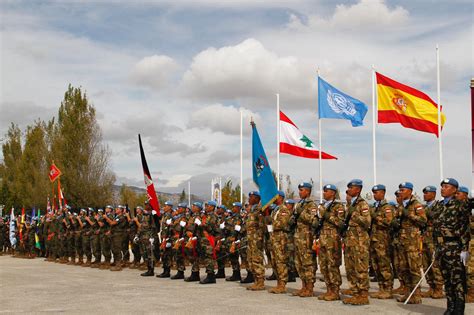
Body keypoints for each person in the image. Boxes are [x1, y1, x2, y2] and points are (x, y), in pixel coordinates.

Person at [433, 178, 470, 314]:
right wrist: (436, 247)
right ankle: (450, 307)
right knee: (447, 279)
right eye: (442, 186)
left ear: (455, 190)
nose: (443, 188)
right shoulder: (439, 205)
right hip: (442, 247)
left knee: (458, 280)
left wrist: (465, 249)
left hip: (455, 246)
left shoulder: (460, 204)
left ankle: (459, 309)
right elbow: (435, 228)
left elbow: (465, 227)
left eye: (447, 186)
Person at [393, 182, 427, 304]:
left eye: (403, 190)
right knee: (404, 268)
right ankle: (408, 292)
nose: (401, 192)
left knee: (414, 269)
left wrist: (410, 215)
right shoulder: (401, 205)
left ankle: (416, 295)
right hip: (402, 241)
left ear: (410, 191)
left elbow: (423, 221)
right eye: (400, 190)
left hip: (412, 242)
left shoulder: (416, 205)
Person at [341, 179, 371, 305]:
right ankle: (355, 293)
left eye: (351, 188)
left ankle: (363, 295)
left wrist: (354, 214)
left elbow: (367, 222)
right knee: (350, 269)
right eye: (348, 188)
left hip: (360, 243)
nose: (348, 190)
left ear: (358, 189)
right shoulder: (350, 205)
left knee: (361, 269)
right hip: (350, 242)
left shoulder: (362, 204)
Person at [317, 184, 345, 301]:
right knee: (323, 266)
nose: (324, 193)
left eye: (327, 191)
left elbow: (341, 223)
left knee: (332, 265)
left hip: (333, 240)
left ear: (333, 193)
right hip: (323, 239)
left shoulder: (338, 206)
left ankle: (335, 291)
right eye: (324, 191)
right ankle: (329, 289)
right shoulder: (322, 206)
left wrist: (327, 215)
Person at [293, 182, 319, 298]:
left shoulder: (311, 205)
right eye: (299, 190)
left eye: (302, 190)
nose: (300, 192)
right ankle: (303, 286)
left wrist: (301, 214)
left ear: (308, 191)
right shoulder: (299, 204)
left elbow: (314, 221)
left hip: (307, 238)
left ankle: (310, 288)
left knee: (308, 264)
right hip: (298, 238)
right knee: (299, 263)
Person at [369, 184, 394, 299]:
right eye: (374, 193)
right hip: (374, 240)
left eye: (377, 192)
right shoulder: (374, 207)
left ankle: (388, 289)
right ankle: (381, 288)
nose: (374, 195)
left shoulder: (387, 207)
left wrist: (375, 217)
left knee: (384, 265)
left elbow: (389, 222)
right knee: (376, 265)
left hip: (383, 241)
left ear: (383, 193)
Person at [420, 186, 444, 299]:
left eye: (427, 193)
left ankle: (438, 288)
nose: (424, 195)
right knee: (425, 264)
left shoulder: (439, 206)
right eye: (424, 193)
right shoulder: (424, 207)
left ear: (433, 194)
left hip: (434, 239)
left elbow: (436, 218)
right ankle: (431, 287)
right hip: (425, 238)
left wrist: (425, 214)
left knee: (434, 264)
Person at [268, 190, 292, 294]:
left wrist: (271, 223)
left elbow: (282, 223)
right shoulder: (275, 210)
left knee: (281, 261)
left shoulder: (284, 209)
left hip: (281, 239)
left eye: (275, 197)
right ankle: (278, 283)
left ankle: (282, 284)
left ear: (281, 198)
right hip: (274, 238)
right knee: (274, 261)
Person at [455, 186, 474, 303]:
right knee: (464, 269)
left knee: (470, 270)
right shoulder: (460, 209)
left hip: (471, 241)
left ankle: (471, 294)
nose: (456, 195)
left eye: (458, 193)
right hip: (464, 241)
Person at [244, 192, 266, 290]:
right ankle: (256, 281)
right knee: (251, 260)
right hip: (250, 239)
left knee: (257, 260)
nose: (249, 199)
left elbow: (261, 225)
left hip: (256, 239)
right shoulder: (252, 210)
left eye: (251, 197)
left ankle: (260, 282)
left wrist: (259, 238)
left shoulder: (259, 210)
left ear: (257, 198)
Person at [198, 201, 218, 284]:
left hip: (209, 238)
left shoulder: (213, 216)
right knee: (206, 257)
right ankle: (209, 274)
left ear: (212, 207)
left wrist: (202, 224)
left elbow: (211, 228)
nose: (206, 207)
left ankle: (211, 276)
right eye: (205, 206)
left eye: (208, 206)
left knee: (209, 257)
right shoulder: (206, 216)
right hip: (204, 239)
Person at [225, 202, 244, 282]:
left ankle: (237, 274)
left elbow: (236, 230)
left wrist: (235, 240)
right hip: (230, 239)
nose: (233, 209)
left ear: (239, 208)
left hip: (235, 239)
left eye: (235, 207)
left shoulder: (238, 217)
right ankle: (235, 273)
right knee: (232, 257)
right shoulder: (232, 217)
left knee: (234, 257)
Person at [157, 201, 174, 278]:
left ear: (170, 207)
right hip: (163, 237)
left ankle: (167, 271)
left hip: (167, 238)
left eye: (166, 206)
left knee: (167, 254)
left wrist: (168, 239)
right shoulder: (165, 215)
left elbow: (170, 228)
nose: (164, 207)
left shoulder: (170, 216)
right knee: (163, 254)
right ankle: (165, 270)